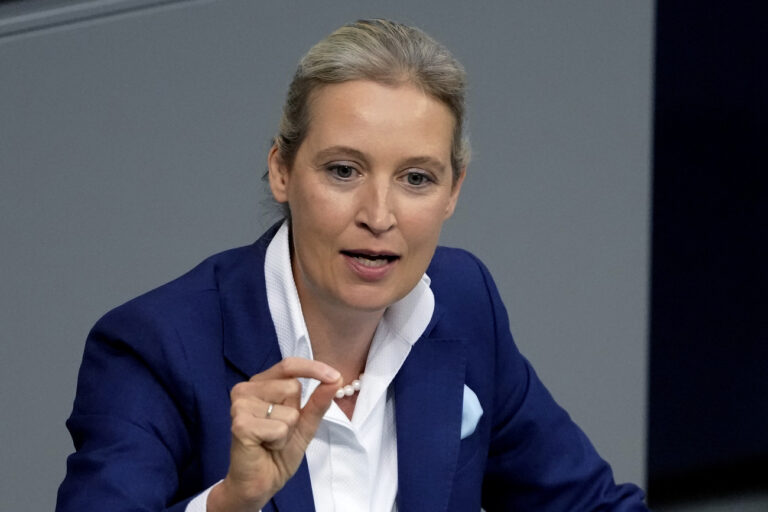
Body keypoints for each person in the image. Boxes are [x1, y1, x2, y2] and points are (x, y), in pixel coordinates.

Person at [56, 19, 649, 511]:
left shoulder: (466, 303)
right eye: (344, 170)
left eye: (416, 178)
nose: (378, 214)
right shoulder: (154, 346)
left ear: (454, 191)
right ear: (281, 171)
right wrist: (231, 502)